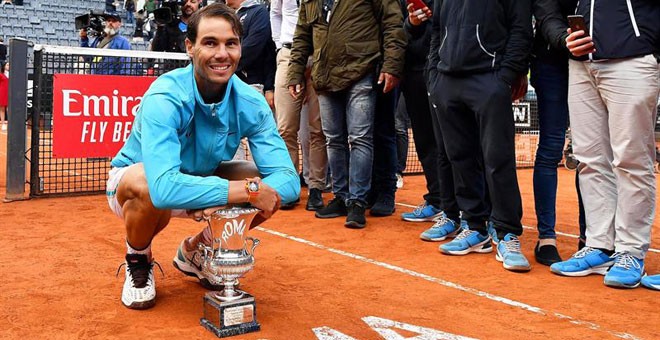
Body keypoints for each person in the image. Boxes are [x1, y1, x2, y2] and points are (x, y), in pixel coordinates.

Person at [106, 3, 300, 309]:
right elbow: (164, 188)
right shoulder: (165, 95)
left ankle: (197, 251)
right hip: (137, 184)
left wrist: (244, 191)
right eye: (210, 43)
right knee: (146, 186)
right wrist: (245, 191)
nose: (222, 54)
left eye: (230, 44)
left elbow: (288, 181)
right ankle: (138, 257)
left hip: (201, 181)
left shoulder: (251, 100)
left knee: (270, 189)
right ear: (190, 47)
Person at [550, 0, 659, 289]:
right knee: (590, 159)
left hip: (633, 59)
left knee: (631, 160)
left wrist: (650, 45)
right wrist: (564, 38)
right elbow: (551, 8)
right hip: (581, 65)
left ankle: (630, 251)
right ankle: (599, 245)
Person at [427, 0, 533, 272]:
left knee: (498, 159)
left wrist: (505, 77)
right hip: (447, 81)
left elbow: (521, 29)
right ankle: (475, 227)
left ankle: (507, 233)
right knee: (459, 157)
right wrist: (434, 76)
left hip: (490, 79)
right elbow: (436, 29)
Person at [288, 0, 406, 229]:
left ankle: (358, 202)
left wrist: (391, 65)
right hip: (324, 76)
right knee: (333, 140)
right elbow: (302, 34)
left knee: (360, 138)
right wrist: (295, 73)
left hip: (362, 70)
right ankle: (341, 197)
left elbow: (392, 22)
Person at [528, 0, 578, 266]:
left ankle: (592, 238)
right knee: (550, 148)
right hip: (551, 64)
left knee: (590, 155)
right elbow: (546, 15)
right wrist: (565, 39)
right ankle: (546, 236)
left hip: (596, 61)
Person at [270, 0, 327, 211]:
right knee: (285, 128)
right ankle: (290, 187)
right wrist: (279, 44)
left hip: (320, 57)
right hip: (288, 54)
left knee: (318, 129)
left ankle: (316, 188)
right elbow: (275, 14)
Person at [0, 62, 7, 131]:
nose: (9, 66)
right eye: (7, 65)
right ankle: (3, 123)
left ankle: (11, 123)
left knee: (9, 109)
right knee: (2, 108)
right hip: (2, 92)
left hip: (10, 93)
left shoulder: (13, 74)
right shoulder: (1, 75)